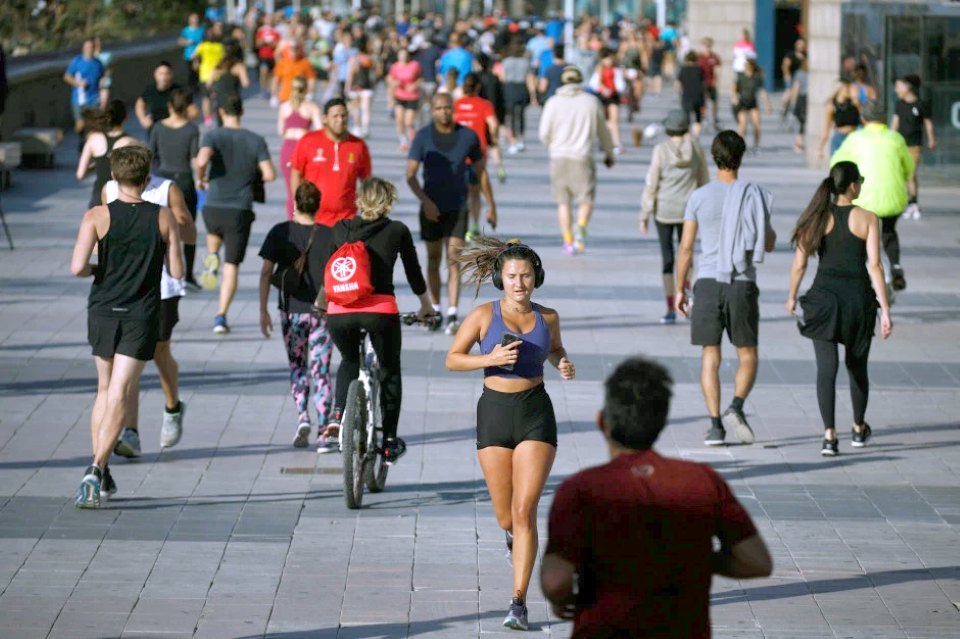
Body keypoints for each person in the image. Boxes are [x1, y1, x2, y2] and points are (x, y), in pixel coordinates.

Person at [541, 357, 773, 636]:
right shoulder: (702, 481)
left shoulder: (580, 489)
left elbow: (555, 580)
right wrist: (693, 556)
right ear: (662, 422)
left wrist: (563, 599)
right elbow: (757, 561)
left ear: (602, 421)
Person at [447, 237, 576, 632]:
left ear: (536, 276)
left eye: (525, 275)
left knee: (524, 510)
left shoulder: (548, 316)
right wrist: (490, 358)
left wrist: (562, 362)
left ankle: (518, 601)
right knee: (506, 514)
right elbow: (453, 359)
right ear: (500, 278)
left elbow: (554, 348)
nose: (519, 283)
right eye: (512, 276)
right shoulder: (484, 315)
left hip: (536, 413)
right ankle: (513, 539)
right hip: (494, 415)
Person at [71, 146, 184, 508]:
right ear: (147, 179)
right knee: (121, 391)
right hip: (141, 313)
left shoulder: (96, 216)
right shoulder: (162, 216)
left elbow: (77, 268)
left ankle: (101, 475)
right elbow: (178, 271)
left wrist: (98, 269)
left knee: (104, 391)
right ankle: (95, 468)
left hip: (102, 310)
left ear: (114, 178)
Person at [321, 178, 437, 458]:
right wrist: (427, 308)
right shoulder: (397, 230)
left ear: (360, 200)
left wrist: (321, 305)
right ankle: (390, 440)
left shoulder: (341, 228)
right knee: (389, 369)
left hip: (339, 313)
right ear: (389, 201)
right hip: (380, 312)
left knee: (348, 360)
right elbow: (414, 274)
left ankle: (337, 416)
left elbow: (328, 273)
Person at [675, 130, 777, 447]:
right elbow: (769, 243)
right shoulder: (755, 196)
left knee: (711, 356)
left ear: (713, 157)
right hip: (742, 283)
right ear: (741, 158)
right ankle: (737, 405)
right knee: (748, 355)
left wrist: (680, 288)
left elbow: (687, 249)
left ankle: (716, 426)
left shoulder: (699, 197)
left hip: (706, 283)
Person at [786, 162, 893, 456]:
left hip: (822, 302)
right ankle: (858, 429)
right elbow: (875, 265)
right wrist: (885, 309)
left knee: (826, 369)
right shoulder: (868, 218)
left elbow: (800, 262)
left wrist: (792, 296)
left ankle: (829, 437)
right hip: (858, 302)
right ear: (854, 186)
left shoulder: (817, 218)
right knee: (857, 367)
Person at [101, 167, 197, 457]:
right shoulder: (109, 189)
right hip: (123, 286)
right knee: (127, 359)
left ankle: (172, 407)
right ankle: (131, 432)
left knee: (158, 351)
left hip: (162, 288)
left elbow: (191, 235)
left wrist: (175, 225)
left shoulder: (167, 189)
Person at [258, 181, 334, 450]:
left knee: (297, 366)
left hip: (291, 312)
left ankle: (303, 416)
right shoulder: (330, 235)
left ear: (296, 202)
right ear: (318, 204)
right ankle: (326, 428)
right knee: (321, 369)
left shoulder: (280, 232)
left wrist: (263, 310)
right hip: (323, 313)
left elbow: (266, 272)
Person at [195, 95, 277, 334]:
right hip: (239, 209)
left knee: (214, 234)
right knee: (231, 266)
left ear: (221, 112)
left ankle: (211, 256)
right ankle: (220, 316)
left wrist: (201, 176)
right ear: (242, 111)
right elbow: (270, 174)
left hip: (213, 205)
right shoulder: (255, 140)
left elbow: (201, 159)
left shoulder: (212, 135)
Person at [832, 100, 914, 295]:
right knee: (888, 232)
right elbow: (909, 168)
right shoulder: (896, 138)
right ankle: (895, 266)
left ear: (862, 118)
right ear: (884, 117)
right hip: (893, 198)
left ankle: (863, 273)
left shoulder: (855, 139)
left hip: (864, 199)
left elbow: (836, 165)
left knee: (860, 237)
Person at [640, 110, 709, 325]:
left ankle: (670, 306)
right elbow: (703, 180)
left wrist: (645, 214)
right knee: (687, 254)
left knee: (668, 258)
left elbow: (652, 183)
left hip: (664, 211)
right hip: (689, 211)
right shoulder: (696, 148)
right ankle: (686, 298)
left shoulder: (660, 150)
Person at [539, 65, 615, 255]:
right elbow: (603, 131)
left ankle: (568, 241)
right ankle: (580, 228)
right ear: (581, 80)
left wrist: (553, 145)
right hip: (582, 156)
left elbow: (543, 133)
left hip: (558, 157)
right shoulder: (591, 102)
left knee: (563, 202)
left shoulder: (553, 102)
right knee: (586, 199)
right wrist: (609, 153)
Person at [288, 97, 372, 227]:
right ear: (325, 118)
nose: (340, 120)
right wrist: (297, 208)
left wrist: (368, 210)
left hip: (346, 220)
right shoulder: (308, 141)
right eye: (335, 116)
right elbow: (295, 173)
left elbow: (366, 181)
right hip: (314, 218)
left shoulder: (358, 146)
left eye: (343, 116)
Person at [150, 88, 201, 289]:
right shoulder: (192, 129)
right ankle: (187, 275)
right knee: (188, 227)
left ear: (169, 106)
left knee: (161, 227)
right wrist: (202, 179)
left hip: (162, 180)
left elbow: (151, 154)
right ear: (186, 107)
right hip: (184, 180)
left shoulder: (157, 128)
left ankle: (162, 270)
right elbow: (195, 157)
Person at [454, 73, 500, 244]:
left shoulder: (456, 105)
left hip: (457, 156)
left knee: (461, 193)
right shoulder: (485, 105)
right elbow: (494, 124)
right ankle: (474, 225)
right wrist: (492, 138)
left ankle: (462, 226)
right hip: (477, 155)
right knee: (475, 191)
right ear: (478, 87)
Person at [76, 100, 138, 209]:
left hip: (98, 199)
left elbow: (80, 174)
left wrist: (97, 166)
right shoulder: (131, 143)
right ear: (126, 117)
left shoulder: (94, 139)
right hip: (122, 199)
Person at [891, 74, 936, 220]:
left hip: (914, 145)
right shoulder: (899, 104)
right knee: (905, 175)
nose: (896, 90)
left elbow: (928, 123)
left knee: (910, 173)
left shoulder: (921, 105)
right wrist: (890, 138)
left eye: (899, 87)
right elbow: (895, 123)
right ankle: (910, 201)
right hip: (900, 145)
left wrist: (931, 140)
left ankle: (913, 203)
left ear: (907, 87)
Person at [278, 76, 322, 220]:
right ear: (306, 88)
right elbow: (320, 130)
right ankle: (306, 218)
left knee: (291, 191)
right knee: (305, 187)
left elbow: (281, 131)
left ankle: (293, 219)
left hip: (288, 148)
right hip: (305, 148)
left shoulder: (284, 107)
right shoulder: (311, 107)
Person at [136, 62, 198, 134]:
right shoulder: (150, 90)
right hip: (156, 131)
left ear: (172, 75)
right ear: (155, 75)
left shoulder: (179, 91)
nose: (164, 78)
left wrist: (183, 118)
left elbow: (194, 112)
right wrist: (142, 119)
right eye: (161, 74)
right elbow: (140, 104)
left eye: (167, 74)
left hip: (175, 130)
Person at [63, 39, 105, 146]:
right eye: (87, 47)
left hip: (94, 98)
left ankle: (88, 144)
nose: (89, 49)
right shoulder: (77, 61)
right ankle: (80, 138)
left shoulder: (98, 63)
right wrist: (78, 83)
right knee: (80, 124)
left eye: (91, 47)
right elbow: (67, 76)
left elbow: (102, 77)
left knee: (94, 125)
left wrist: (102, 88)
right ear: (83, 49)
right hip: (79, 98)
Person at [588, 48, 626, 154]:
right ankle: (604, 141)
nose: (609, 61)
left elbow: (620, 84)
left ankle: (617, 143)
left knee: (614, 120)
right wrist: (604, 90)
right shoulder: (600, 69)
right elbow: (594, 83)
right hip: (602, 96)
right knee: (603, 120)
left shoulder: (616, 69)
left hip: (613, 96)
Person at [733, 59, 772, 154]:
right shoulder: (741, 76)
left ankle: (756, 146)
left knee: (756, 125)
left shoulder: (756, 77)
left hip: (752, 103)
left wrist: (767, 104)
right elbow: (734, 87)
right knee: (743, 125)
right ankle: (740, 146)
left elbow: (763, 91)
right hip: (742, 103)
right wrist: (734, 98)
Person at [387, 46, 422, 152]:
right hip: (399, 95)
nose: (403, 57)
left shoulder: (414, 65)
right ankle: (403, 141)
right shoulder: (395, 67)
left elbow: (421, 78)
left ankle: (411, 130)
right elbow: (389, 79)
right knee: (399, 120)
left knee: (408, 121)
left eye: (405, 55)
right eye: (401, 55)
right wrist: (394, 84)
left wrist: (415, 85)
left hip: (412, 96)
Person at [499, 41, 531, 155]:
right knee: (521, 115)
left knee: (511, 116)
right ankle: (521, 139)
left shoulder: (506, 61)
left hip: (510, 87)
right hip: (521, 87)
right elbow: (529, 78)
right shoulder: (526, 62)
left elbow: (502, 77)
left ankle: (512, 140)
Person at [209, 44, 251, 127]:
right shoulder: (239, 66)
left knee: (220, 122)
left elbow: (209, 83)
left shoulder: (219, 64)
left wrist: (213, 91)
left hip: (220, 96)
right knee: (234, 121)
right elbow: (246, 84)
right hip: (233, 97)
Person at [816, 80, 860, 159]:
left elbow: (863, 118)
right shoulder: (831, 106)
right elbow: (827, 127)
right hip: (839, 137)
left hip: (853, 137)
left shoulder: (854, 103)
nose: (849, 90)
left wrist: (855, 98)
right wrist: (820, 148)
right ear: (839, 89)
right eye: (847, 88)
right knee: (838, 166)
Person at [192, 30, 226, 126]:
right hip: (217, 74)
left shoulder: (202, 46)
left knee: (206, 98)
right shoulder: (219, 46)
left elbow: (193, 56)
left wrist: (196, 63)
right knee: (216, 96)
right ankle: (218, 113)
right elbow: (224, 59)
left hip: (205, 75)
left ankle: (208, 118)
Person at [345, 39, 377, 138]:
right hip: (367, 86)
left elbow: (350, 74)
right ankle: (365, 128)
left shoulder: (353, 59)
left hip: (355, 87)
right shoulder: (369, 59)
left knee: (356, 108)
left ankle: (357, 127)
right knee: (366, 109)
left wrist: (348, 87)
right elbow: (373, 73)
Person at [676, 51, 706, 137]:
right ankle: (696, 137)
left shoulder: (683, 69)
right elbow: (703, 84)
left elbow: (678, 83)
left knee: (686, 117)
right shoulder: (699, 70)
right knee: (698, 118)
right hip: (697, 96)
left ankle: (687, 136)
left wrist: (677, 92)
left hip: (686, 96)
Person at [697, 37, 722, 130]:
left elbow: (717, 69)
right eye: (704, 44)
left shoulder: (714, 57)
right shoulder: (698, 57)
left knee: (714, 100)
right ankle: (704, 117)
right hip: (701, 83)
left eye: (708, 45)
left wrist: (716, 80)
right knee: (703, 101)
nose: (706, 47)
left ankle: (715, 117)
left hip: (711, 82)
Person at [256, 13, 282, 99]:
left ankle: (271, 90)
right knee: (263, 71)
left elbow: (278, 43)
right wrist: (263, 42)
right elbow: (257, 43)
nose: (269, 21)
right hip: (263, 55)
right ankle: (263, 89)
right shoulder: (261, 30)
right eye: (267, 19)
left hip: (273, 56)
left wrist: (271, 44)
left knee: (272, 74)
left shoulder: (276, 31)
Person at [780, 37, 806, 125]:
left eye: (803, 45)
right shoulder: (790, 55)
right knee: (789, 91)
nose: (801, 47)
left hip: (801, 79)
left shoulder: (806, 56)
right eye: (800, 45)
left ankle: (794, 108)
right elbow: (785, 67)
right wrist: (787, 76)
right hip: (792, 77)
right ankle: (784, 108)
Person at [179, 13, 206, 94]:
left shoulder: (202, 29)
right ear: (190, 20)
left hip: (200, 54)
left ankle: (201, 89)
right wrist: (186, 42)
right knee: (191, 73)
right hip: (189, 55)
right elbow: (180, 41)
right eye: (193, 19)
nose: (195, 20)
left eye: (196, 18)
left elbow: (206, 40)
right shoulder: (186, 30)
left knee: (200, 72)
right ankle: (193, 91)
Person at [789, 60, 809, 153]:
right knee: (802, 122)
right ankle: (798, 143)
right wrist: (794, 101)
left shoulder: (800, 73)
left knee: (803, 122)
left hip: (804, 99)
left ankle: (799, 142)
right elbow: (796, 88)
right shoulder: (801, 74)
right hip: (803, 100)